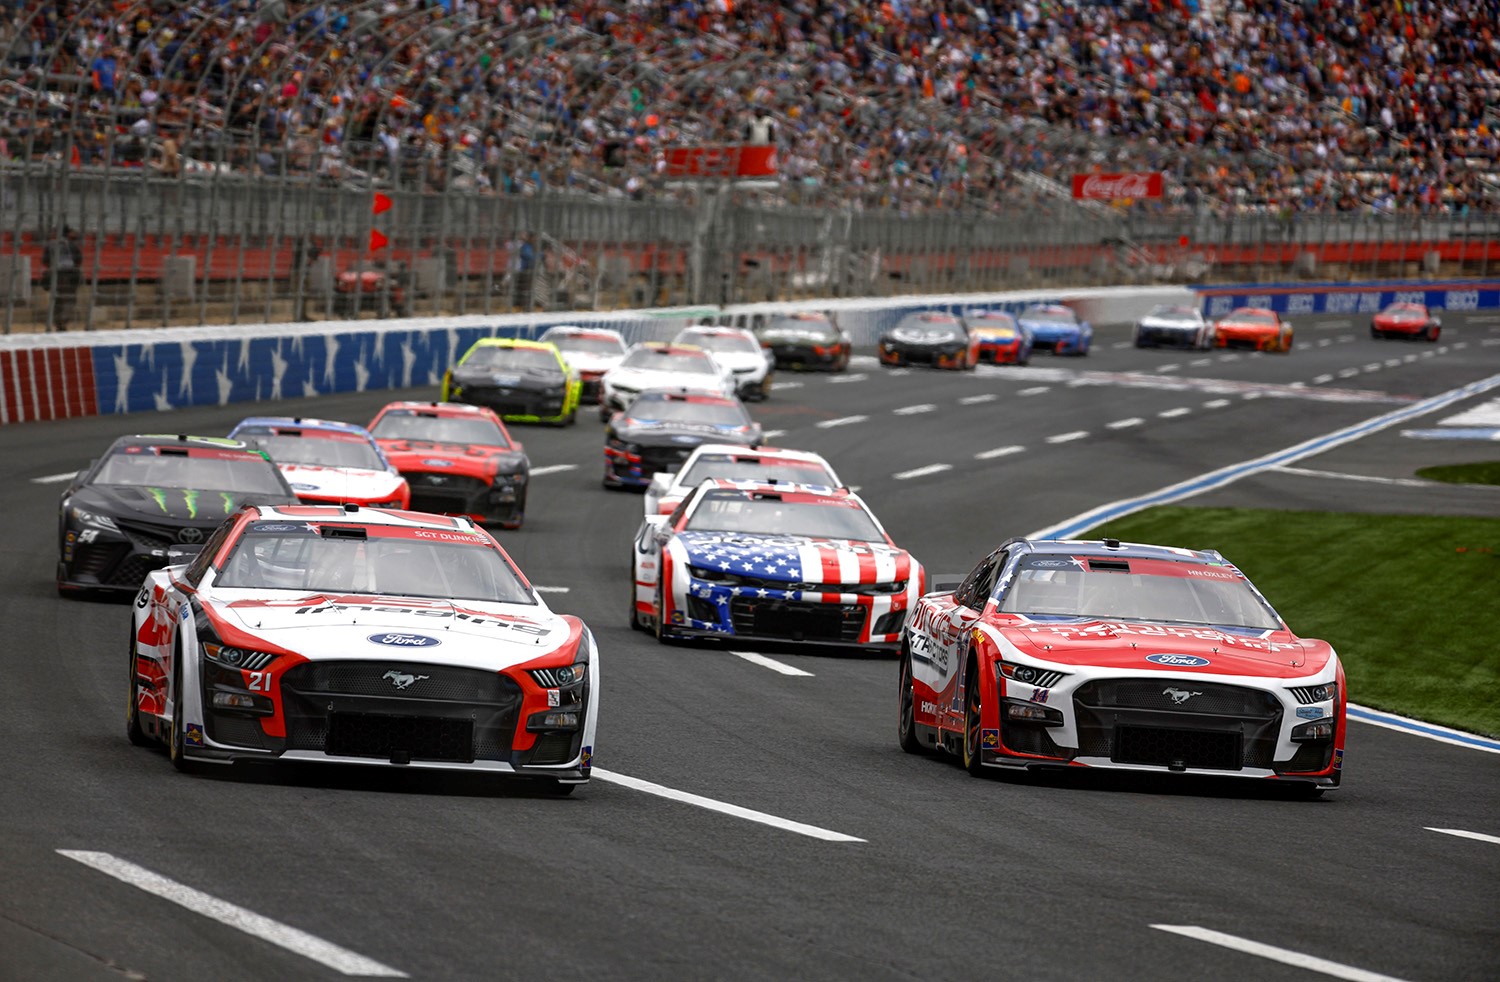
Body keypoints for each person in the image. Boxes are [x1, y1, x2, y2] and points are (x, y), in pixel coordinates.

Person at [42, 227, 83, 332]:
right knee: (69, 299)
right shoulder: (72, 245)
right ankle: (63, 321)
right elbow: (78, 260)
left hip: (54, 274)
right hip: (69, 274)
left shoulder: (50, 245)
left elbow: (45, 260)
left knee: (56, 299)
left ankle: (57, 322)